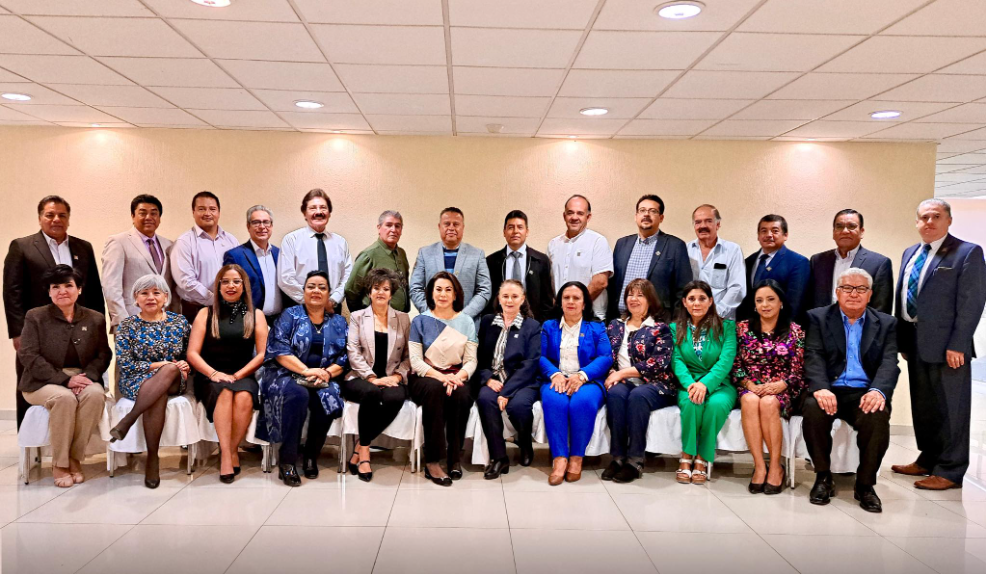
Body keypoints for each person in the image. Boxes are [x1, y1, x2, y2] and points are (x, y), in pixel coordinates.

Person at [892, 199, 986, 491]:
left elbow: (972, 302)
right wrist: (902, 340)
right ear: (917, 222)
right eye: (923, 217)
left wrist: (958, 343)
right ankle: (929, 458)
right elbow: (903, 297)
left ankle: (951, 469)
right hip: (915, 342)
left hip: (949, 348)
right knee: (925, 407)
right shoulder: (910, 252)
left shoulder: (967, 252)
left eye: (936, 216)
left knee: (951, 409)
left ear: (948, 220)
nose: (929, 222)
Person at [803, 269, 899, 512]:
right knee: (813, 409)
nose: (853, 294)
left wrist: (878, 391)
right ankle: (823, 477)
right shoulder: (817, 317)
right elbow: (813, 355)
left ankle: (865, 484)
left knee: (877, 416)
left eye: (861, 289)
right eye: (847, 288)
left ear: (870, 294)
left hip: (864, 392)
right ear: (837, 292)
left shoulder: (886, 323)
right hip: (830, 389)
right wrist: (821, 388)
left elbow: (889, 362)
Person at [5, 195, 104, 427]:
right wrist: (18, 332)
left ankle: (79, 439)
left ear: (68, 219)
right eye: (50, 215)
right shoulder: (22, 246)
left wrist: (98, 328)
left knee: (83, 383)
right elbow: (12, 291)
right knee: (31, 375)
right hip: (37, 329)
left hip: (78, 326)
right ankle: (30, 440)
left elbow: (93, 290)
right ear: (40, 217)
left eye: (62, 215)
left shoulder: (83, 247)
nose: (56, 219)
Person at [17, 265, 110, 487]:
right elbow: (28, 355)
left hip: (82, 376)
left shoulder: (95, 318)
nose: (62, 291)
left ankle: (74, 458)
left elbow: (103, 354)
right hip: (41, 381)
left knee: (95, 396)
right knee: (64, 398)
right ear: (49, 292)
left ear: (79, 289)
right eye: (55, 287)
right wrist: (65, 380)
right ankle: (59, 463)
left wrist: (89, 376)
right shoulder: (35, 316)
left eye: (68, 285)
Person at [260, 271, 348, 486]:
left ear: (329, 294)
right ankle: (287, 461)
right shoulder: (289, 315)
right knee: (298, 395)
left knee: (328, 395)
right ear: (304, 291)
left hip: (323, 375)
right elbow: (279, 350)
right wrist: (307, 371)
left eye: (322, 287)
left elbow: (346, 356)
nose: (316, 291)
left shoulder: (339, 322)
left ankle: (311, 456)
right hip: (285, 374)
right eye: (311, 286)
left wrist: (327, 373)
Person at [108, 274, 191, 489]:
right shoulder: (127, 325)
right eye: (144, 293)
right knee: (158, 391)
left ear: (166, 297)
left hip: (174, 378)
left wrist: (184, 365)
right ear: (136, 299)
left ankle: (128, 420)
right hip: (136, 379)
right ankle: (153, 458)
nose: (150, 297)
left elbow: (189, 355)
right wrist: (160, 365)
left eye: (156, 293)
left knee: (169, 370)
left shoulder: (180, 322)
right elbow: (126, 364)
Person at [186, 264, 268, 484]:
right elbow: (192, 353)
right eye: (226, 282)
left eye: (236, 282)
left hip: (242, 374)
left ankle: (231, 450)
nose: (231, 286)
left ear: (244, 286)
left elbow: (262, 354)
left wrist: (239, 375)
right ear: (218, 286)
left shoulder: (255, 314)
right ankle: (226, 456)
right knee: (224, 393)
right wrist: (213, 373)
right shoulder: (206, 313)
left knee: (244, 397)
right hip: (210, 375)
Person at [732, 279, 805, 495]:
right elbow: (735, 364)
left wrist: (782, 384)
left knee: (769, 403)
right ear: (754, 305)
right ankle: (759, 466)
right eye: (760, 300)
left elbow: (800, 369)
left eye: (771, 299)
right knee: (749, 400)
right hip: (750, 385)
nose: (765, 305)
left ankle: (775, 467)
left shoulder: (795, 331)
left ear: (781, 302)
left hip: (782, 388)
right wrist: (748, 383)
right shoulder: (742, 329)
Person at [408, 272, 479, 486]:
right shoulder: (420, 321)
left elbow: (471, 361)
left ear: (456, 294)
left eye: (448, 290)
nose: (443, 294)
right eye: (438, 289)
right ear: (431, 293)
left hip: (456, 374)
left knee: (462, 394)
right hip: (426, 376)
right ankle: (432, 461)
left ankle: (454, 457)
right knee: (435, 390)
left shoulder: (466, 322)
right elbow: (415, 361)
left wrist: (456, 377)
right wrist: (442, 377)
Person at [540, 281, 613, 486]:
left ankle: (576, 458)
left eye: (576, 298)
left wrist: (582, 375)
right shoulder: (549, 326)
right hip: (557, 378)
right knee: (555, 401)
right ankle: (559, 459)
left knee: (582, 402)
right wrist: (554, 374)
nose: (571, 301)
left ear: (584, 303)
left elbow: (606, 357)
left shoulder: (597, 327)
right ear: (560, 302)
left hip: (588, 381)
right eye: (566, 298)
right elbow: (540, 356)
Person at [602, 279, 674, 484]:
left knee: (638, 396)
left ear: (650, 300)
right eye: (630, 295)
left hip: (656, 384)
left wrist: (620, 374)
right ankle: (617, 457)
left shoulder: (660, 329)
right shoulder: (615, 326)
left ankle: (635, 461)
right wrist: (612, 372)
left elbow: (658, 364)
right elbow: (605, 355)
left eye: (640, 295)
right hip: (622, 382)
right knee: (615, 395)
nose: (634, 299)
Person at [343, 268, 411, 482]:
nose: (381, 292)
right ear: (369, 292)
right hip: (360, 377)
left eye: (386, 289)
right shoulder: (357, 317)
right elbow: (353, 352)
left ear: (391, 294)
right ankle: (365, 453)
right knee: (371, 393)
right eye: (376, 288)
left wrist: (398, 377)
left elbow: (409, 356)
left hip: (391, 377)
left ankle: (359, 445)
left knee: (396, 397)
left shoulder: (403, 319)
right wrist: (372, 378)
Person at [671, 280, 737, 485]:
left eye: (702, 298)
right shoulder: (675, 328)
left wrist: (705, 384)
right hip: (689, 383)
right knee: (692, 403)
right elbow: (676, 360)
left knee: (716, 405)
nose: (696, 303)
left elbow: (725, 361)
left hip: (720, 383)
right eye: (691, 299)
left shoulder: (727, 327)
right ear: (684, 302)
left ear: (710, 301)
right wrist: (691, 384)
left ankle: (702, 457)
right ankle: (686, 455)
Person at [473, 280, 542, 479]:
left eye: (514, 296)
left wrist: (506, 392)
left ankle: (525, 442)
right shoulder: (487, 322)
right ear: (499, 298)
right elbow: (479, 357)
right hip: (493, 379)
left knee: (518, 406)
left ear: (522, 299)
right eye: (505, 296)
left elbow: (530, 363)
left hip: (522, 381)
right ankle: (499, 457)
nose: (509, 300)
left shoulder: (532, 326)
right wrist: (487, 379)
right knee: (485, 399)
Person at [102, 194, 180, 331]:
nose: (148, 217)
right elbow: (111, 287)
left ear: (159, 218)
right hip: (132, 323)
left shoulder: (169, 245)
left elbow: (172, 288)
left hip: (164, 325)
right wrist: (124, 324)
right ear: (133, 216)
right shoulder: (118, 242)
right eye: (142, 213)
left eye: (154, 213)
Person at [609, 194, 692, 318]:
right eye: (642, 210)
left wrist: (676, 323)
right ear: (636, 216)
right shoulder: (622, 244)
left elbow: (683, 289)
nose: (646, 214)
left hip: (657, 322)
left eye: (653, 211)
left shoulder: (675, 245)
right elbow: (612, 285)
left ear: (661, 218)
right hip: (621, 320)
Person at [278, 188, 352, 313]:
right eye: (312, 208)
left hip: (332, 309)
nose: (318, 212)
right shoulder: (291, 240)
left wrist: (332, 300)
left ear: (329, 213)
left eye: (323, 208)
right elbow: (285, 279)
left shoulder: (341, 243)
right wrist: (312, 301)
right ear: (304, 213)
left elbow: (347, 277)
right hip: (301, 310)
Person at [409, 207, 491, 319]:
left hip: (467, 323)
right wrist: (432, 314)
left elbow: (484, 290)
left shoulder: (477, 254)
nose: (451, 228)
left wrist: (463, 317)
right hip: (432, 323)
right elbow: (415, 288)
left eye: (456, 224)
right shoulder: (425, 253)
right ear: (439, 227)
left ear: (463, 227)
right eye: (447, 224)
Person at [807, 209, 893, 314]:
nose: (845, 231)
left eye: (851, 226)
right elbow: (810, 301)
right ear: (834, 233)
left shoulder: (879, 264)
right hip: (821, 323)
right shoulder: (817, 261)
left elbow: (881, 310)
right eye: (839, 226)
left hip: (861, 324)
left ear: (862, 232)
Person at [171, 191, 239, 323]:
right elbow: (186, 282)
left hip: (230, 308)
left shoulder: (231, 240)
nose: (207, 213)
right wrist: (216, 300)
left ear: (219, 212)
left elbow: (239, 273)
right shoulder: (184, 242)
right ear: (193, 212)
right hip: (197, 310)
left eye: (212, 209)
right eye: (201, 209)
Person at [547, 195, 613, 320]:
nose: (574, 217)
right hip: (560, 317)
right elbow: (549, 282)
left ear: (588, 217)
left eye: (580, 213)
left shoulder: (598, 242)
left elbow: (600, 282)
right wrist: (559, 308)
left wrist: (576, 307)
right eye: (570, 213)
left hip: (590, 317)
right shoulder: (553, 244)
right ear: (564, 216)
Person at [483, 210, 554, 321]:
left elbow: (547, 300)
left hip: (532, 323)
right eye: (511, 227)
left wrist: (539, 325)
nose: (515, 231)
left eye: (520, 227)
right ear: (504, 232)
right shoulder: (491, 261)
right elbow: (488, 297)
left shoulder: (541, 260)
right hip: (500, 322)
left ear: (527, 231)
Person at [738, 214, 809, 321]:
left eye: (775, 231)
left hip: (782, 327)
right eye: (764, 231)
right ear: (758, 236)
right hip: (750, 327)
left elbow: (795, 304)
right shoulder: (748, 262)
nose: (768, 235)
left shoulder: (798, 262)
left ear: (785, 235)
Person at [222, 205, 285, 323]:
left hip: (280, 321)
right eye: (256, 222)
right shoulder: (235, 256)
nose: (262, 227)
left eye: (266, 222)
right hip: (250, 321)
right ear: (248, 226)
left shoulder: (280, 254)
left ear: (271, 226)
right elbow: (229, 293)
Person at [687, 204, 745, 320]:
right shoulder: (685, 250)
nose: (702, 226)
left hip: (722, 321)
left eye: (708, 221)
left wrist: (716, 313)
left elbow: (737, 288)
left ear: (718, 224)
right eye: (698, 222)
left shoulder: (732, 250)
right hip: (691, 321)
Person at [345, 210, 411, 313]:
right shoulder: (368, 255)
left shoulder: (401, 253)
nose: (393, 230)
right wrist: (363, 317)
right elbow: (351, 291)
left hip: (400, 318)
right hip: (376, 319)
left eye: (397, 226)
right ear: (379, 228)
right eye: (388, 225)